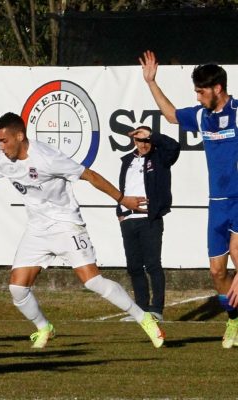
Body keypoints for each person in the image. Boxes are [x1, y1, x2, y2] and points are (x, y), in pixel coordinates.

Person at [0, 112, 165, 349]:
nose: (1, 146)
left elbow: (90, 175)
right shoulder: (2, 158)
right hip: (37, 228)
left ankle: (144, 318)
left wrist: (122, 198)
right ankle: (44, 327)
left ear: (19, 135)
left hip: (67, 224)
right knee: (17, 288)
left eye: (4, 141)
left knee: (92, 281)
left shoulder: (47, 157)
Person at [140, 50, 238, 348]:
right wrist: (151, 82)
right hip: (217, 203)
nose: (197, 97)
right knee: (217, 271)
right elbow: (171, 115)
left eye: (200, 91)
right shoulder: (202, 115)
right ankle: (234, 320)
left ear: (217, 89)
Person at [117, 126, 180, 322]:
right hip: (128, 219)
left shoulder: (161, 157)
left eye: (146, 140)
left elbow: (174, 147)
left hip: (149, 219)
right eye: (139, 140)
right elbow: (124, 187)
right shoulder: (127, 160)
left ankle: (156, 310)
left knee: (153, 265)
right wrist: (120, 211)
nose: (143, 144)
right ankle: (141, 311)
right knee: (134, 267)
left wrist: (152, 136)